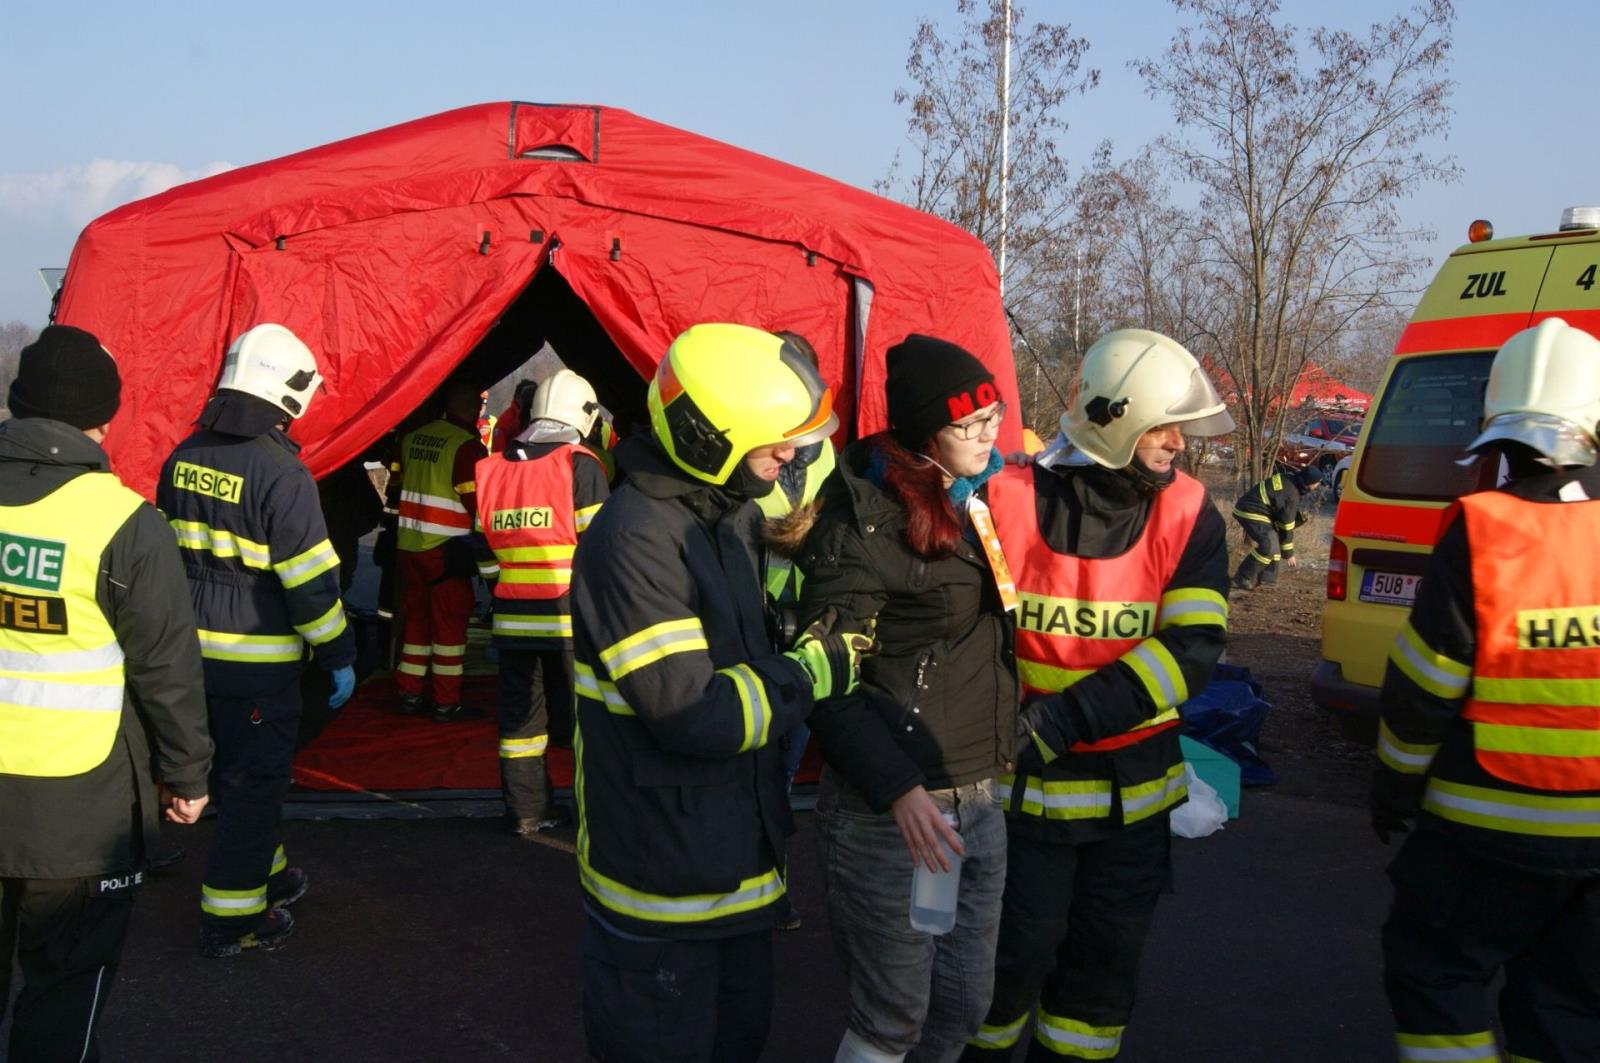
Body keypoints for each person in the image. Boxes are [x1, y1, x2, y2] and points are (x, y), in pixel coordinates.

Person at [571, 323, 869, 1063]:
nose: (791, 458)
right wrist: (810, 671)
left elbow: (740, 652)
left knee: (739, 1039)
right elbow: (692, 712)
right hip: (663, 883)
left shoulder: (722, 515)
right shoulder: (636, 537)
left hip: (729, 863)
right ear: (711, 441)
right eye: (776, 444)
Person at [966, 328, 1233, 1062]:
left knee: (1098, 988)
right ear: (1118, 421)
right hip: (1019, 798)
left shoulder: (1190, 514)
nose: (1179, 443)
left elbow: (1190, 652)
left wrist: (1063, 716)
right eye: (1164, 426)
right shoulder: (1004, 501)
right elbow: (964, 634)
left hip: (1132, 804)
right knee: (1001, 974)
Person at [1373, 317, 1600, 1063]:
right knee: (1567, 1005)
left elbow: (1423, 690)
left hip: (1482, 832)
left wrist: (1395, 786)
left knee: (1436, 978)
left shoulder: (1483, 527)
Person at [788, 334, 1018, 1062]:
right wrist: (899, 788)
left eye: (995, 417)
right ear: (925, 433)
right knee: (892, 1018)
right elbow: (827, 682)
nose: (990, 436)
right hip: (896, 812)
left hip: (978, 798)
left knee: (963, 1006)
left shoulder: (977, 499)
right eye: (970, 425)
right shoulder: (861, 523)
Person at [0, 325, 213, 1058]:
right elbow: (166, 666)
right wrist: (185, 775)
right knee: (64, 992)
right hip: (78, 814)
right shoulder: (124, 521)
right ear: (106, 417)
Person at [158, 323, 356, 958]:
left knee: (245, 780)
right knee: (252, 786)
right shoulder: (282, 473)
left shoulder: (183, 456)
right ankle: (233, 920)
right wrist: (340, 655)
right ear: (288, 391)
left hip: (189, 663)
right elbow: (311, 589)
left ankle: (267, 876)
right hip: (258, 668)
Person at [475, 368, 609, 836]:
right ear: (584, 414)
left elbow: (484, 552)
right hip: (569, 622)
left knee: (520, 724)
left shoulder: (493, 468)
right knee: (585, 723)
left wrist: (500, 587)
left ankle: (527, 811)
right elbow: (602, 550)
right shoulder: (579, 464)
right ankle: (594, 815)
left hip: (511, 619)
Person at [755, 329, 838, 931]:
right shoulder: (745, 454)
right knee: (754, 767)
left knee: (781, 768)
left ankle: (770, 885)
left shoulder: (832, 459)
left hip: (805, 628)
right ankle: (756, 884)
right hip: (746, 627)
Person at [394, 379, 485, 721]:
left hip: (408, 545)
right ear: (472, 409)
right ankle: (446, 702)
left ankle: (409, 694)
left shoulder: (413, 436)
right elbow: (477, 503)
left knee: (416, 623)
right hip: (446, 550)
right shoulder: (466, 446)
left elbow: (397, 485)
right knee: (449, 627)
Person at [1229, 463, 1321, 590]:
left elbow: (1280, 508)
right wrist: (1289, 553)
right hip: (1251, 511)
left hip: (1259, 510)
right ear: (1309, 483)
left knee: (1274, 544)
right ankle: (1242, 578)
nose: (1318, 486)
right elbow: (1286, 526)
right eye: (1317, 483)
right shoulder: (1291, 494)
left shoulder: (1289, 478)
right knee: (1268, 546)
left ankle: (1267, 581)